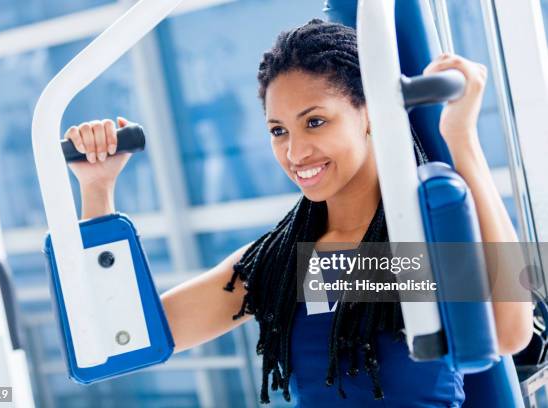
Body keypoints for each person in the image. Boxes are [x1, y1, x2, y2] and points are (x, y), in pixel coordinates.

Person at [64, 19, 533, 407]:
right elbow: (127, 339)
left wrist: (462, 141)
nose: (295, 152)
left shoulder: (424, 237)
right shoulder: (281, 262)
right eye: (277, 130)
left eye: (315, 121)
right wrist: (97, 190)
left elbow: (510, 333)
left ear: (370, 113)